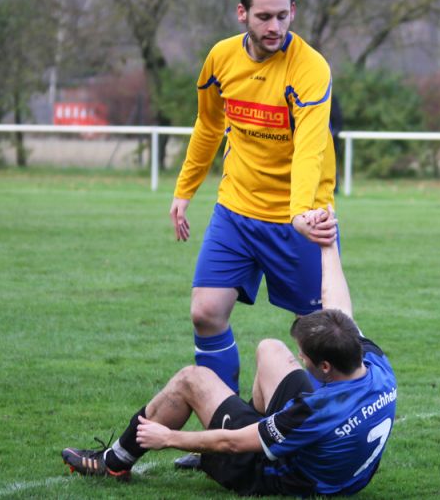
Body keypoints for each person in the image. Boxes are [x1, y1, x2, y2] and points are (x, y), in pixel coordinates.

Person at [62, 206, 398, 496]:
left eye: (305, 355)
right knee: (270, 350)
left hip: (278, 475)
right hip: (344, 473)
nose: (301, 358)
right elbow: (338, 307)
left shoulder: (312, 412)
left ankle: (115, 461)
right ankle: (244, 426)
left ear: (325, 367)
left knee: (192, 379)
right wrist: (327, 244)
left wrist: (169, 437)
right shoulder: (377, 368)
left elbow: (232, 444)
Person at [168, 0, 336, 468]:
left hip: (300, 217)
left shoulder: (310, 68)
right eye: (264, 16)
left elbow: (309, 148)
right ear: (242, 13)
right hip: (237, 209)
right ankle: (220, 438)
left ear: (293, 12)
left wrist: (301, 212)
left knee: (320, 334)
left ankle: (319, 441)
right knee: (205, 312)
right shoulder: (221, 58)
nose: (274, 26)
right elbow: (208, 125)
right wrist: (184, 191)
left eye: (283, 15)